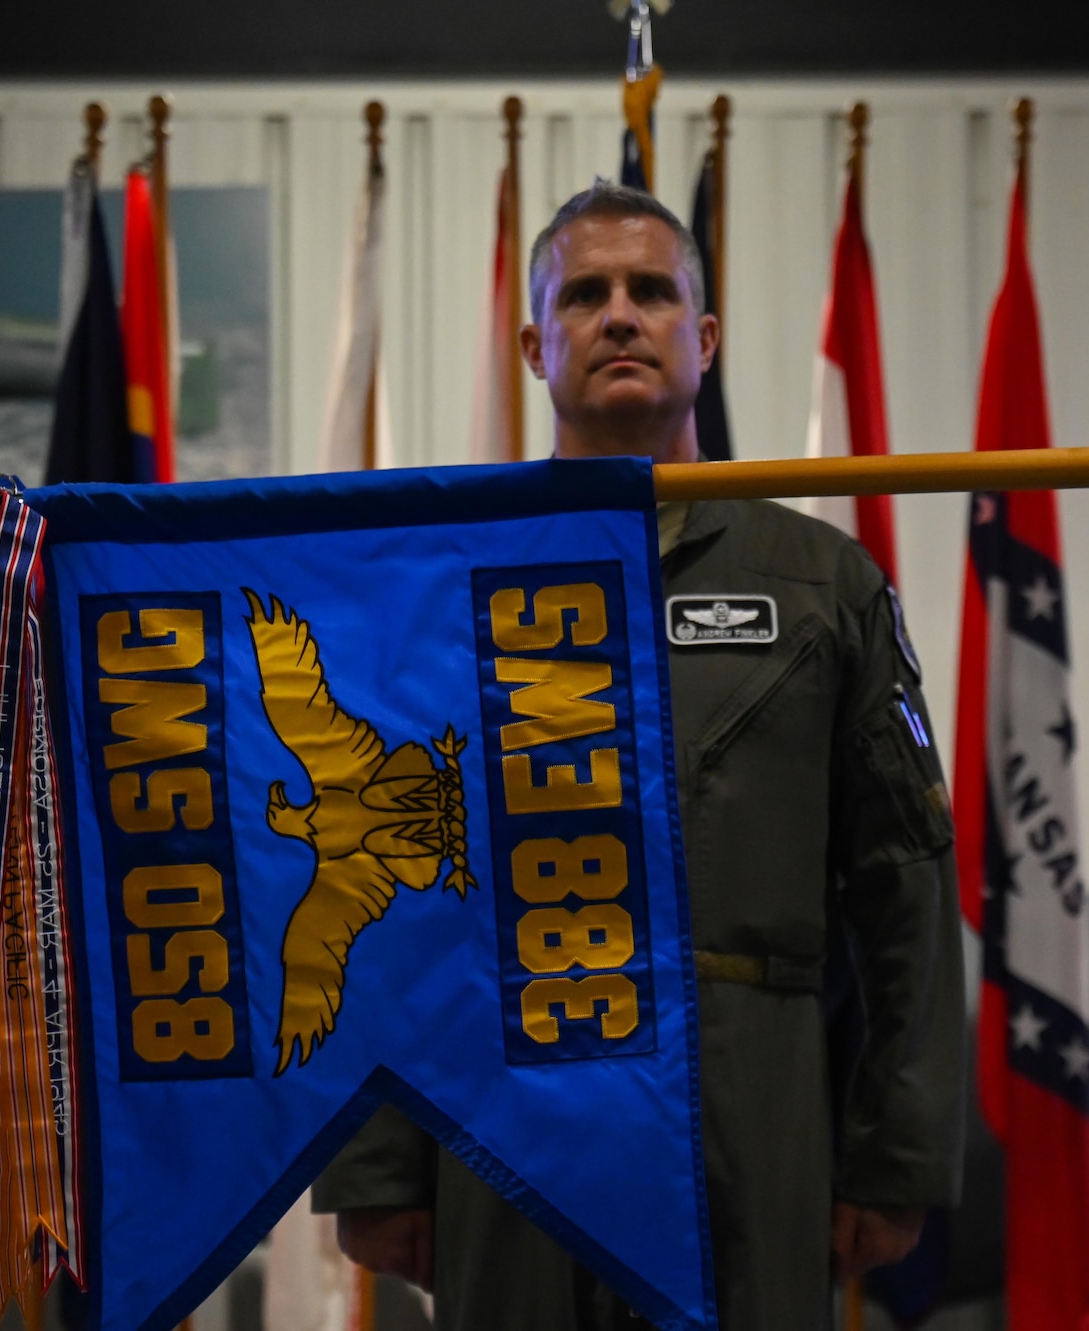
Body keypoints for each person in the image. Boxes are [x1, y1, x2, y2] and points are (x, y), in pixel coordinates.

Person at [311, 180, 966, 1329]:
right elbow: (379, 888)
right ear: (534, 342)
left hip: (752, 1089)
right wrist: (374, 1164)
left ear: (703, 338)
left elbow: (903, 882)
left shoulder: (824, 586)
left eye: (652, 291)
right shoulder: (434, 586)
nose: (621, 315)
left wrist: (892, 1153)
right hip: (503, 1089)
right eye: (587, 294)